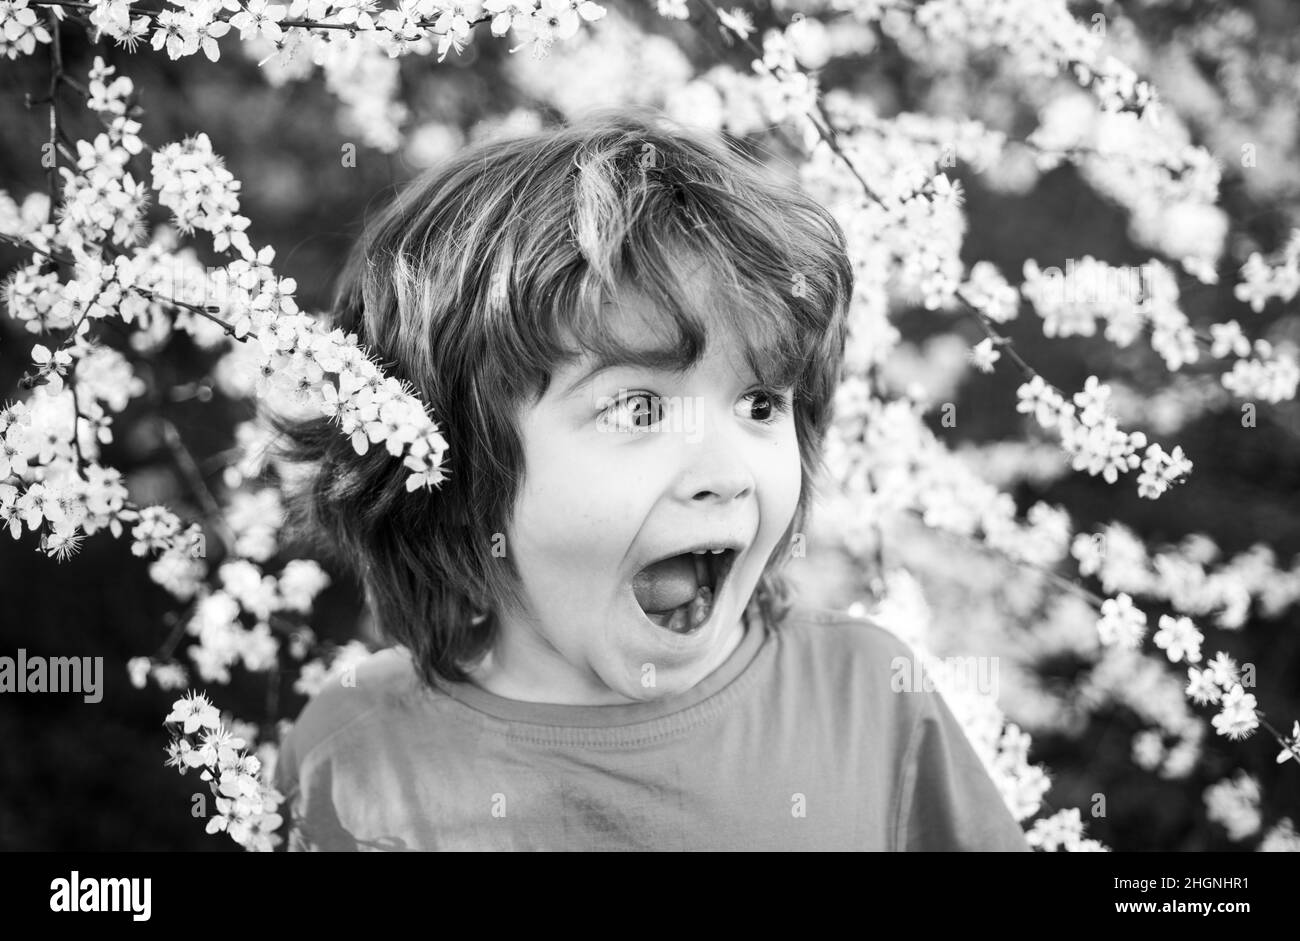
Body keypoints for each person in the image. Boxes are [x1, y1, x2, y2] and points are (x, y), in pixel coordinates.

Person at [269, 105, 1030, 851]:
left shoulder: (865, 700)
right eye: (637, 409)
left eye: (760, 402)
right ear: (446, 468)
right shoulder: (355, 752)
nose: (726, 473)